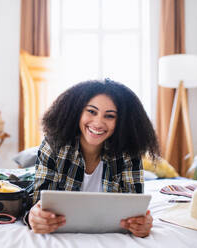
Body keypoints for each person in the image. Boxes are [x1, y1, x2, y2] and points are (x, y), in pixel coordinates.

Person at [26, 79, 160, 237]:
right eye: (91, 111)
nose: (98, 123)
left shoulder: (128, 153)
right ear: (77, 112)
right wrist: (33, 217)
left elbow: (135, 211)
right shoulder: (53, 145)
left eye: (109, 116)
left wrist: (141, 224)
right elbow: (37, 205)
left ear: (121, 122)